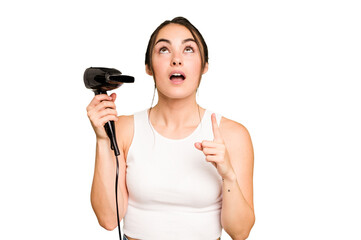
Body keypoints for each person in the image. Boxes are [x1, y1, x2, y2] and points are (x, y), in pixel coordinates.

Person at [86, 17, 255, 240]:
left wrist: (228, 175)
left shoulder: (232, 135)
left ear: (204, 65)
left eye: (188, 49)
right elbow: (108, 219)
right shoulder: (125, 129)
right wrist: (103, 140)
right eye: (164, 50)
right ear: (148, 67)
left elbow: (240, 232)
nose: (176, 60)